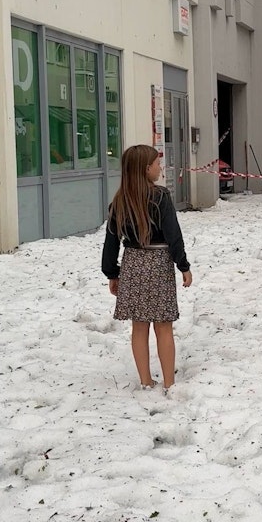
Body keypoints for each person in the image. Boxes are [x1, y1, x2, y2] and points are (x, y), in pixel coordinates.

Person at [102, 145, 194, 390]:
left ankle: (145, 380)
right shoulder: (160, 196)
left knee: (139, 325)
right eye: (157, 164)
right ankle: (169, 382)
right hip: (159, 263)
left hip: (132, 264)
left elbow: (111, 241)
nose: (160, 168)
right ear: (146, 169)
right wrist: (183, 265)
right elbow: (173, 235)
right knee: (163, 326)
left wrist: (112, 273)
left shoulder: (119, 201)